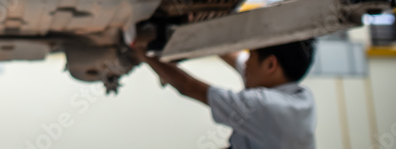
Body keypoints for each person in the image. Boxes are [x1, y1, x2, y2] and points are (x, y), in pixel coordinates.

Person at [133, 39, 317, 149]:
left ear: (270, 65)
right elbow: (233, 56)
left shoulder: (265, 106)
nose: (246, 62)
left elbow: (188, 86)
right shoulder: (298, 96)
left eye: (251, 54)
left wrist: (140, 50)